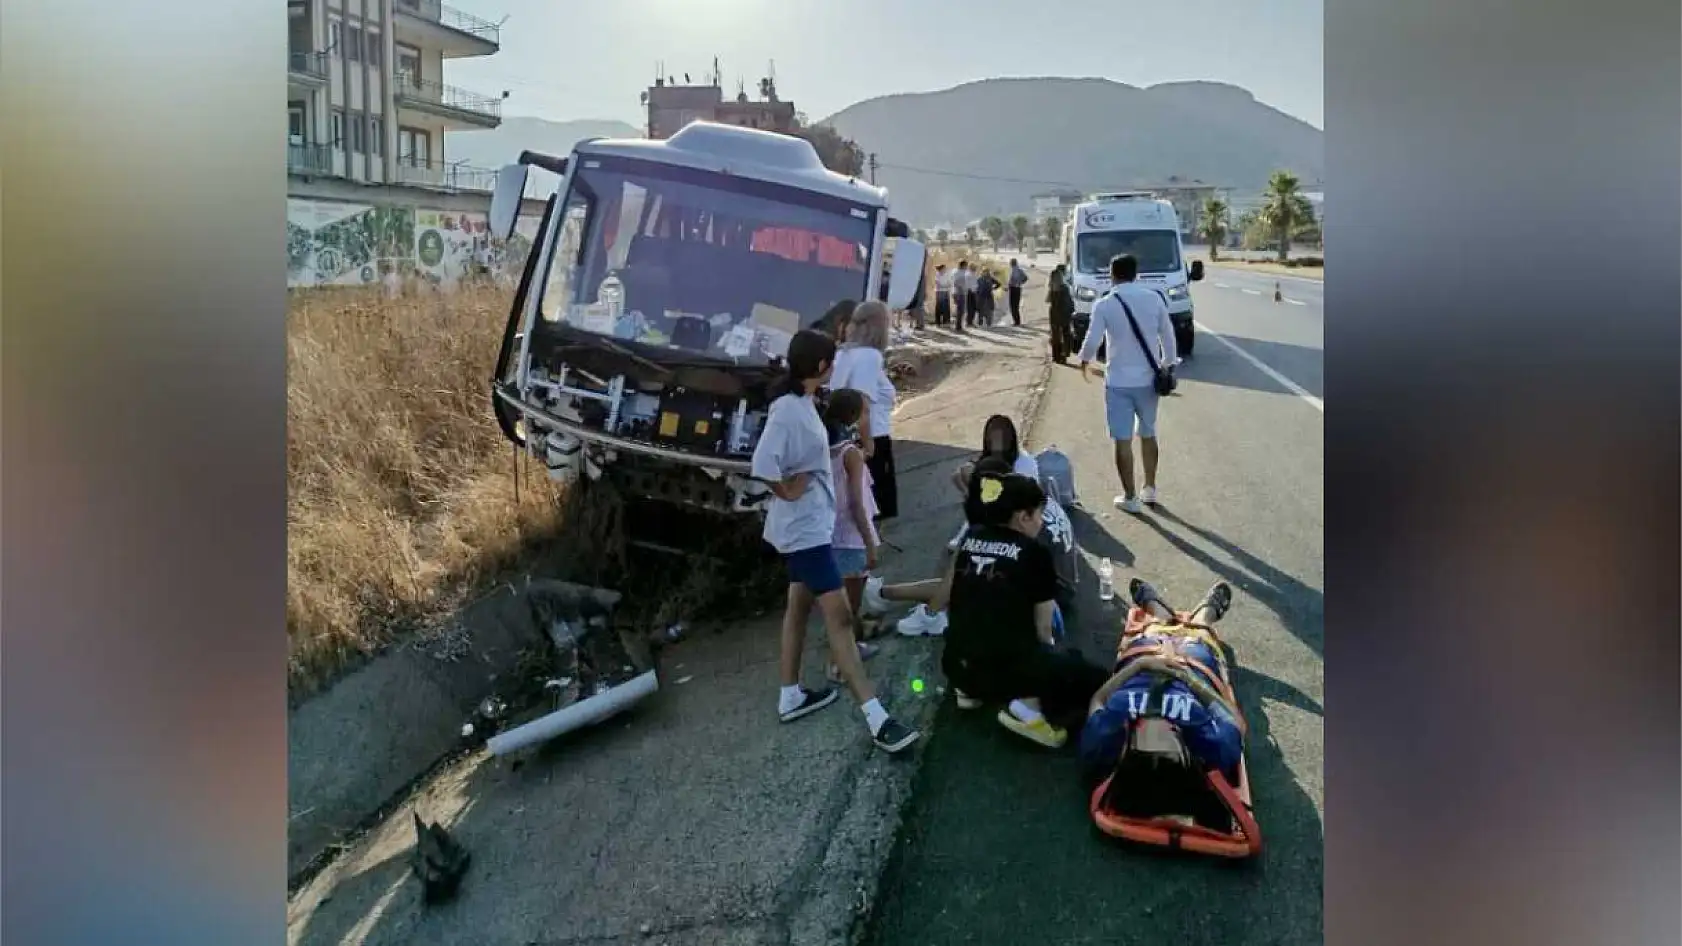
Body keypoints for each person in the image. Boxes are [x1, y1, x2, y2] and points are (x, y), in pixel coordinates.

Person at [750, 329, 919, 753]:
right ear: (821, 366)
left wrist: (799, 483)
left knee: (797, 608)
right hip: (805, 531)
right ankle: (877, 719)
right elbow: (763, 461)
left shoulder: (804, 402)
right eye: (832, 360)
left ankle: (790, 695)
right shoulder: (788, 409)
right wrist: (787, 489)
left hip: (810, 527)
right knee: (841, 620)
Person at [941, 468, 1110, 748]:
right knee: (1093, 677)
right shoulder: (1035, 553)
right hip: (1009, 673)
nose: (1041, 523)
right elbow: (1044, 632)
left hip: (956, 665)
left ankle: (971, 690)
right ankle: (1027, 711)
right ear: (1023, 517)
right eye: (1039, 515)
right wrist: (1056, 664)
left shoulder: (971, 537)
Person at [1079, 578, 1241, 785]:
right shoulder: (1212, 747)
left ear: (1128, 752)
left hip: (1143, 659)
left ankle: (1158, 613)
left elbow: (1098, 699)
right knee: (1197, 637)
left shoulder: (1104, 741)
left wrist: (1140, 666)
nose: (1157, 727)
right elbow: (1232, 717)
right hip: (1192, 665)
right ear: (1183, 754)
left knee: (1154, 633)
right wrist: (1188, 678)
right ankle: (1205, 615)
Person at [1077, 253, 1178, 513]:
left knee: (1122, 440)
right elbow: (1168, 335)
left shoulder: (1105, 304)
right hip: (1148, 381)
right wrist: (1166, 364)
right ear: (1136, 273)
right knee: (1148, 432)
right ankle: (1150, 488)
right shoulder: (1154, 299)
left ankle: (1130, 497)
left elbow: (1093, 338)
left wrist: (1084, 361)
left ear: (1112, 274)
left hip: (1118, 382)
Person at [824, 388, 884, 680]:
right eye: (866, 412)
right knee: (849, 608)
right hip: (852, 535)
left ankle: (850, 649)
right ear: (853, 417)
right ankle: (838, 663)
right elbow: (857, 504)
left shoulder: (830, 448)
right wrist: (871, 543)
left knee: (843, 606)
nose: (869, 417)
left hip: (833, 534)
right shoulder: (850, 454)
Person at [831, 301, 900, 523]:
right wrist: (868, 445)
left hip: (842, 438)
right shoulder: (869, 356)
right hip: (870, 438)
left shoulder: (843, 354)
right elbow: (861, 403)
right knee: (872, 511)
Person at [1046, 263, 1076, 363]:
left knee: (1055, 335)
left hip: (1054, 313)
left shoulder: (1052, 288)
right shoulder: (1064, 288)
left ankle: (1056, 357)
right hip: (1064, 314)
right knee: (1066, 334)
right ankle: (1064, 354)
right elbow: (1069, 303)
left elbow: (1047, 300)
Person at [1007, 258, 1029, 326]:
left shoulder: (1012, 270)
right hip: (1018, 288)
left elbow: (1011, 280)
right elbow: (1025, 278)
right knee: (1016, 305)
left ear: (1011, 263)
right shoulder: (1020, 270)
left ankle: (1016, 321)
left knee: (1012, 305)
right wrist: (1020, 283)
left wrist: (1010, 284)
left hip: (1013, 288)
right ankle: (1017, 321)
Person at [954, 260, 971, 331]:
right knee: (961, 310)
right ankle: (958, 326)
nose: (967, 267)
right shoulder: (959, 273)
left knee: (961, 310)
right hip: (960, 293)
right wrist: (962, 289)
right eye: (966, 265)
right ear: (963, 265)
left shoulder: (959, 272)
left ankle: (959, 326)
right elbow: (956, 283)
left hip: (961, 293)